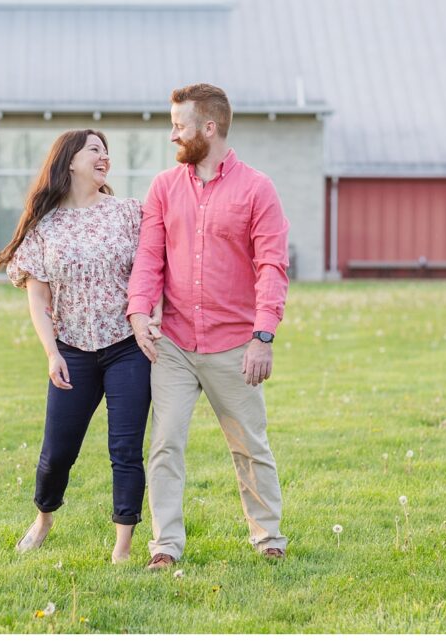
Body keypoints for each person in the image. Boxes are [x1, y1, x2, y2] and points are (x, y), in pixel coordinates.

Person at [126, 83, 291, 569]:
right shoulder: (163, 187)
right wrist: (139, 311)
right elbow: (149, 258)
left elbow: (272, 267)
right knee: (165, 443)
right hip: (173, 344)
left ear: (209, 128)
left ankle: (268, 538)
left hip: (234, 346)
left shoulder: (257, 189)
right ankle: (165, 546)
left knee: (249, 445)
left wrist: (263, 337)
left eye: (180, 126)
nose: (172, 135)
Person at [0, 129, 159, 564]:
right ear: (69, 161)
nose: (104, 157)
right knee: (58, 451)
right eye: (95, 150)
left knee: (125, 449)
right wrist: (52, 353)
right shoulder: (45, 226)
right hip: (72, 351)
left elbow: (153, 270)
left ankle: (122, 545)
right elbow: (37, 296)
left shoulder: (128, 213)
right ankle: (43, 518)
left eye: (107, 151)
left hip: (126, 347)